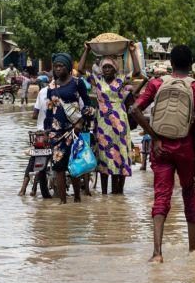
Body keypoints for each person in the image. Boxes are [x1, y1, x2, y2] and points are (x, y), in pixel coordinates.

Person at [130, 44, 195, 263]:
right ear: (191, 64)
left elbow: (134, 109)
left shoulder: (157, 83)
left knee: (161, 197)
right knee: (188, 194)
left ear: (171, 63)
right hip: (186, 149)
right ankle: (192, 250)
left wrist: (153, 137)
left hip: (160, 147)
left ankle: (157, 253)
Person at [77, 42, 141, 194]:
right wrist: (86, 49)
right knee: (104, 154)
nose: (106, 70)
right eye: (104, 67)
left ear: (114, 69)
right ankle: (105, 193)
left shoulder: (121, 79)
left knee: (120, 154)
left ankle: (118, 192)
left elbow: (138, 71)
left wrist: (132, 51)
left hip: (119, 123)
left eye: (109, 67)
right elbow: (79, 70)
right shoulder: (96, 80)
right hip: (103, 124)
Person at [44, 52, 90, 203]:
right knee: (58, 167)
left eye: (61, 66)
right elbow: (49, 110)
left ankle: (77, 198)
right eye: (56, 66)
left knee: (74, 166)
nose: (58, 69)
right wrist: (46, 131)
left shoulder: (77, 83)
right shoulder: (51, 86)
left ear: (69, 67)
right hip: (56, 132)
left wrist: (80, 123)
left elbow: (88, 105)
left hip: (74, 130)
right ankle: (63, 201)